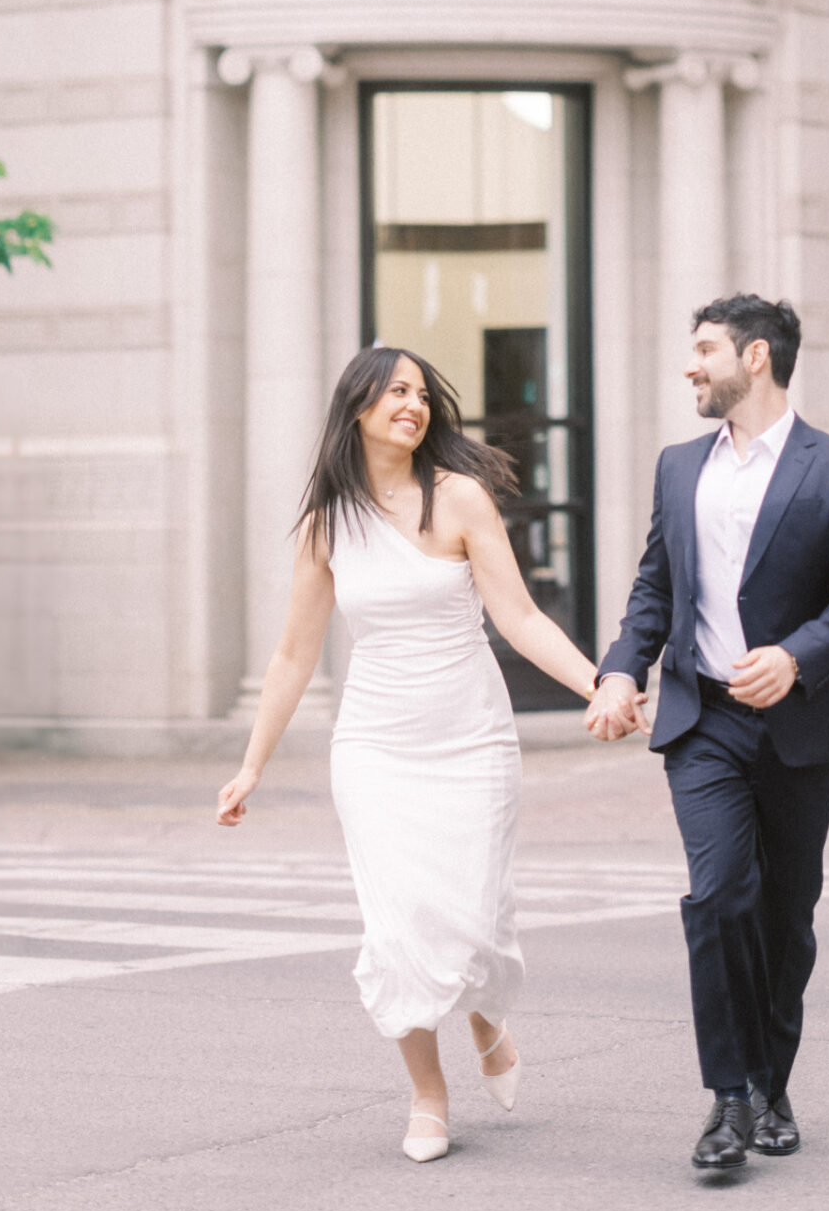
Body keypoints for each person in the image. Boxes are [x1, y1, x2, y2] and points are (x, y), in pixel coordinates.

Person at [216, 344, 604, 1163]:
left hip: (471, 738)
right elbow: (292, 655)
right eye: (396, 392)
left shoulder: (459, 498)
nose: (413, 405)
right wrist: (252, 764)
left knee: (474, 918)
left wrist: (599, 686)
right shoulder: (328, 522)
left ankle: (487, 1013)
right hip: (376, 747)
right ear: (356, 407)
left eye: (422, 394)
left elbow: (522, 619)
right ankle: (429, 1095)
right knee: (399, 928)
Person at [585, 295, 829, 1172]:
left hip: (797, 726)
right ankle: (729, 1100)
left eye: (705, 350)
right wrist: (620, 671)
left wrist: (798, 658)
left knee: (785, 918)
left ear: (755, 358)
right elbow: (655, 588)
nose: (691, 365)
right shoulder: (680, 468)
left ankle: (771, 1082)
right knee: (720, 896)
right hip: (703, 719)